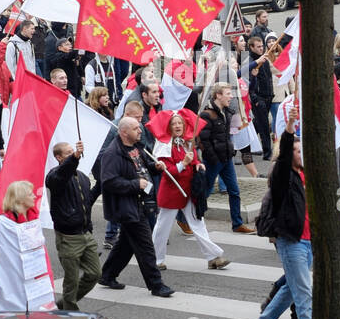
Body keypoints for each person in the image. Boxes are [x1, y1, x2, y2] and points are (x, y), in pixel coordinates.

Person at [251, 111, 315, 319]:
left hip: (308, 241)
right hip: (292, 241)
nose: (302, 154)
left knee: (291, 288)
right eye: (298, 151)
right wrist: (289, 127)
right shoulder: (282, 176)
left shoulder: (305, 174)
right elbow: (287, 151)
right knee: (304, 293)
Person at [97, 116, 175, 296]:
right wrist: (134, 185)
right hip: (127, 206)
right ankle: (156, 285)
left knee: (126, 244)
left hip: (141, 202)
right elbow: (108, 182)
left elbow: (142, 167)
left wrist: (155, 167)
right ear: (124, 132)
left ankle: (107, 275)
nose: (140, 131)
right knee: (145, 246)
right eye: (135, 128)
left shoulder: (137, 147)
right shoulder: (113, 153)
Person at [151, 111, 228, 271]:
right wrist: (183, 163)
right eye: (174, 124)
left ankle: (213, 257)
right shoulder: (164, 145)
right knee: (162, 228)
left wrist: (197, 164)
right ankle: (156, 259)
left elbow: (194, 159)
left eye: (180, 123)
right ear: (169, 127)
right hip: (171, 193)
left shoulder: (187, 142)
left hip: (190, 191)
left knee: (198, 224)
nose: (178, 126)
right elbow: (168, 171)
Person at [0, 180, 58, 312]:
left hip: (37, 280)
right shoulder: (3, 225)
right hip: (13, 281)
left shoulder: (33, 219)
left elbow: (41, 253)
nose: (34, 196)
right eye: (30, 194)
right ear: (20, 199)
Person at [46, 140, 101, 311]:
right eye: (68, 153)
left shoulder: (83, 177)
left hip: (85, 233)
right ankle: (70, 314)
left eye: (73, 152)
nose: (74, 155)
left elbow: (88, 202)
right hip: (68, 237)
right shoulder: (54, 176)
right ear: (59, 157)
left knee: (94, 274)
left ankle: (64, 304)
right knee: (71, 280)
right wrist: (74, 158)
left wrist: (101, 184)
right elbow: (63, 173)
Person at [200, 83, 253, 233]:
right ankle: (191, 219)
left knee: (234, 191)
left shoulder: (227, 111)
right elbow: (204, 141)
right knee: (205, 191)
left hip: (226, 158)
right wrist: (214, 159)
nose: (231, 97)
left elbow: (228, 135)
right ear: (218, 95)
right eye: (228, 94)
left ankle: (237, 224)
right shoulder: (207, 114)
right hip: (214, 160)